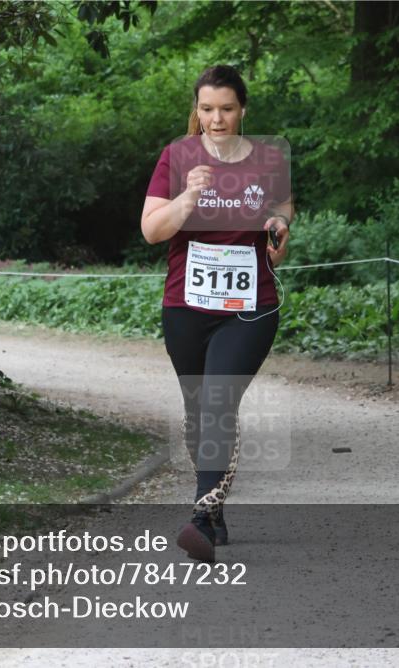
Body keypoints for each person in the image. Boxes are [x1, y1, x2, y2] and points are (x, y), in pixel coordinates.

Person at [141, 65, 293, 561]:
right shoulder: (177, 156)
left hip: (250, 306)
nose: (216, 118)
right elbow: (151, 231)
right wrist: (189, 196)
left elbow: (282, 213)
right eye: (207, 109)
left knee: (218, 401)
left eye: (226, 108)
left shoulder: (269, 158)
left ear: (242, 109)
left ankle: (201, 518)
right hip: (186, 303)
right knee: (196, 412)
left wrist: (278, 227)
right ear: (197, 109)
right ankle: (216, 503)